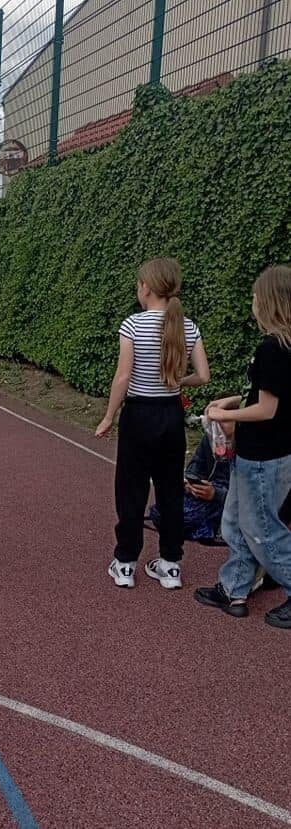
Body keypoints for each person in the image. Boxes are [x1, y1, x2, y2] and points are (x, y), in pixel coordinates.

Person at [95, 257, 210, 589]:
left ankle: (125, 563)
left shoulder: (132, 325)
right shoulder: (188, 326)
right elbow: (203, 376)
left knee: (131, 489)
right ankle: (171, 564)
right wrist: (176, 382)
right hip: (170, 415)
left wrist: (108, 416)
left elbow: (123, 377)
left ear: (145, 287)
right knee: (170, 489)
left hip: (138, 414)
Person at [195, 265, 291, 629]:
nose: (251, 302)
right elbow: (267, 395)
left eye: (254, 296)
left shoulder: (273, 348)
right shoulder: (280, 346)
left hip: (264, 456)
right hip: (257, 453)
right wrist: (233, 400)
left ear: (268, 301)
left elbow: (267, 409)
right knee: (234, 522)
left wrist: (224, 414)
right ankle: (233, 588)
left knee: (263, 530)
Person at [149, 420, 233, 543]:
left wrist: (216, 494)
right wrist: (191, 484)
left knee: (185, 519)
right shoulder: (212, 437)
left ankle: (221, 528)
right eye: (216, 422)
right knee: (163, 511)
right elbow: (196, 466)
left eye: (224, 421)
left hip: (230, 501)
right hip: (206, 494)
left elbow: (249, 496)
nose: (218, 426)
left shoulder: (249, 450)